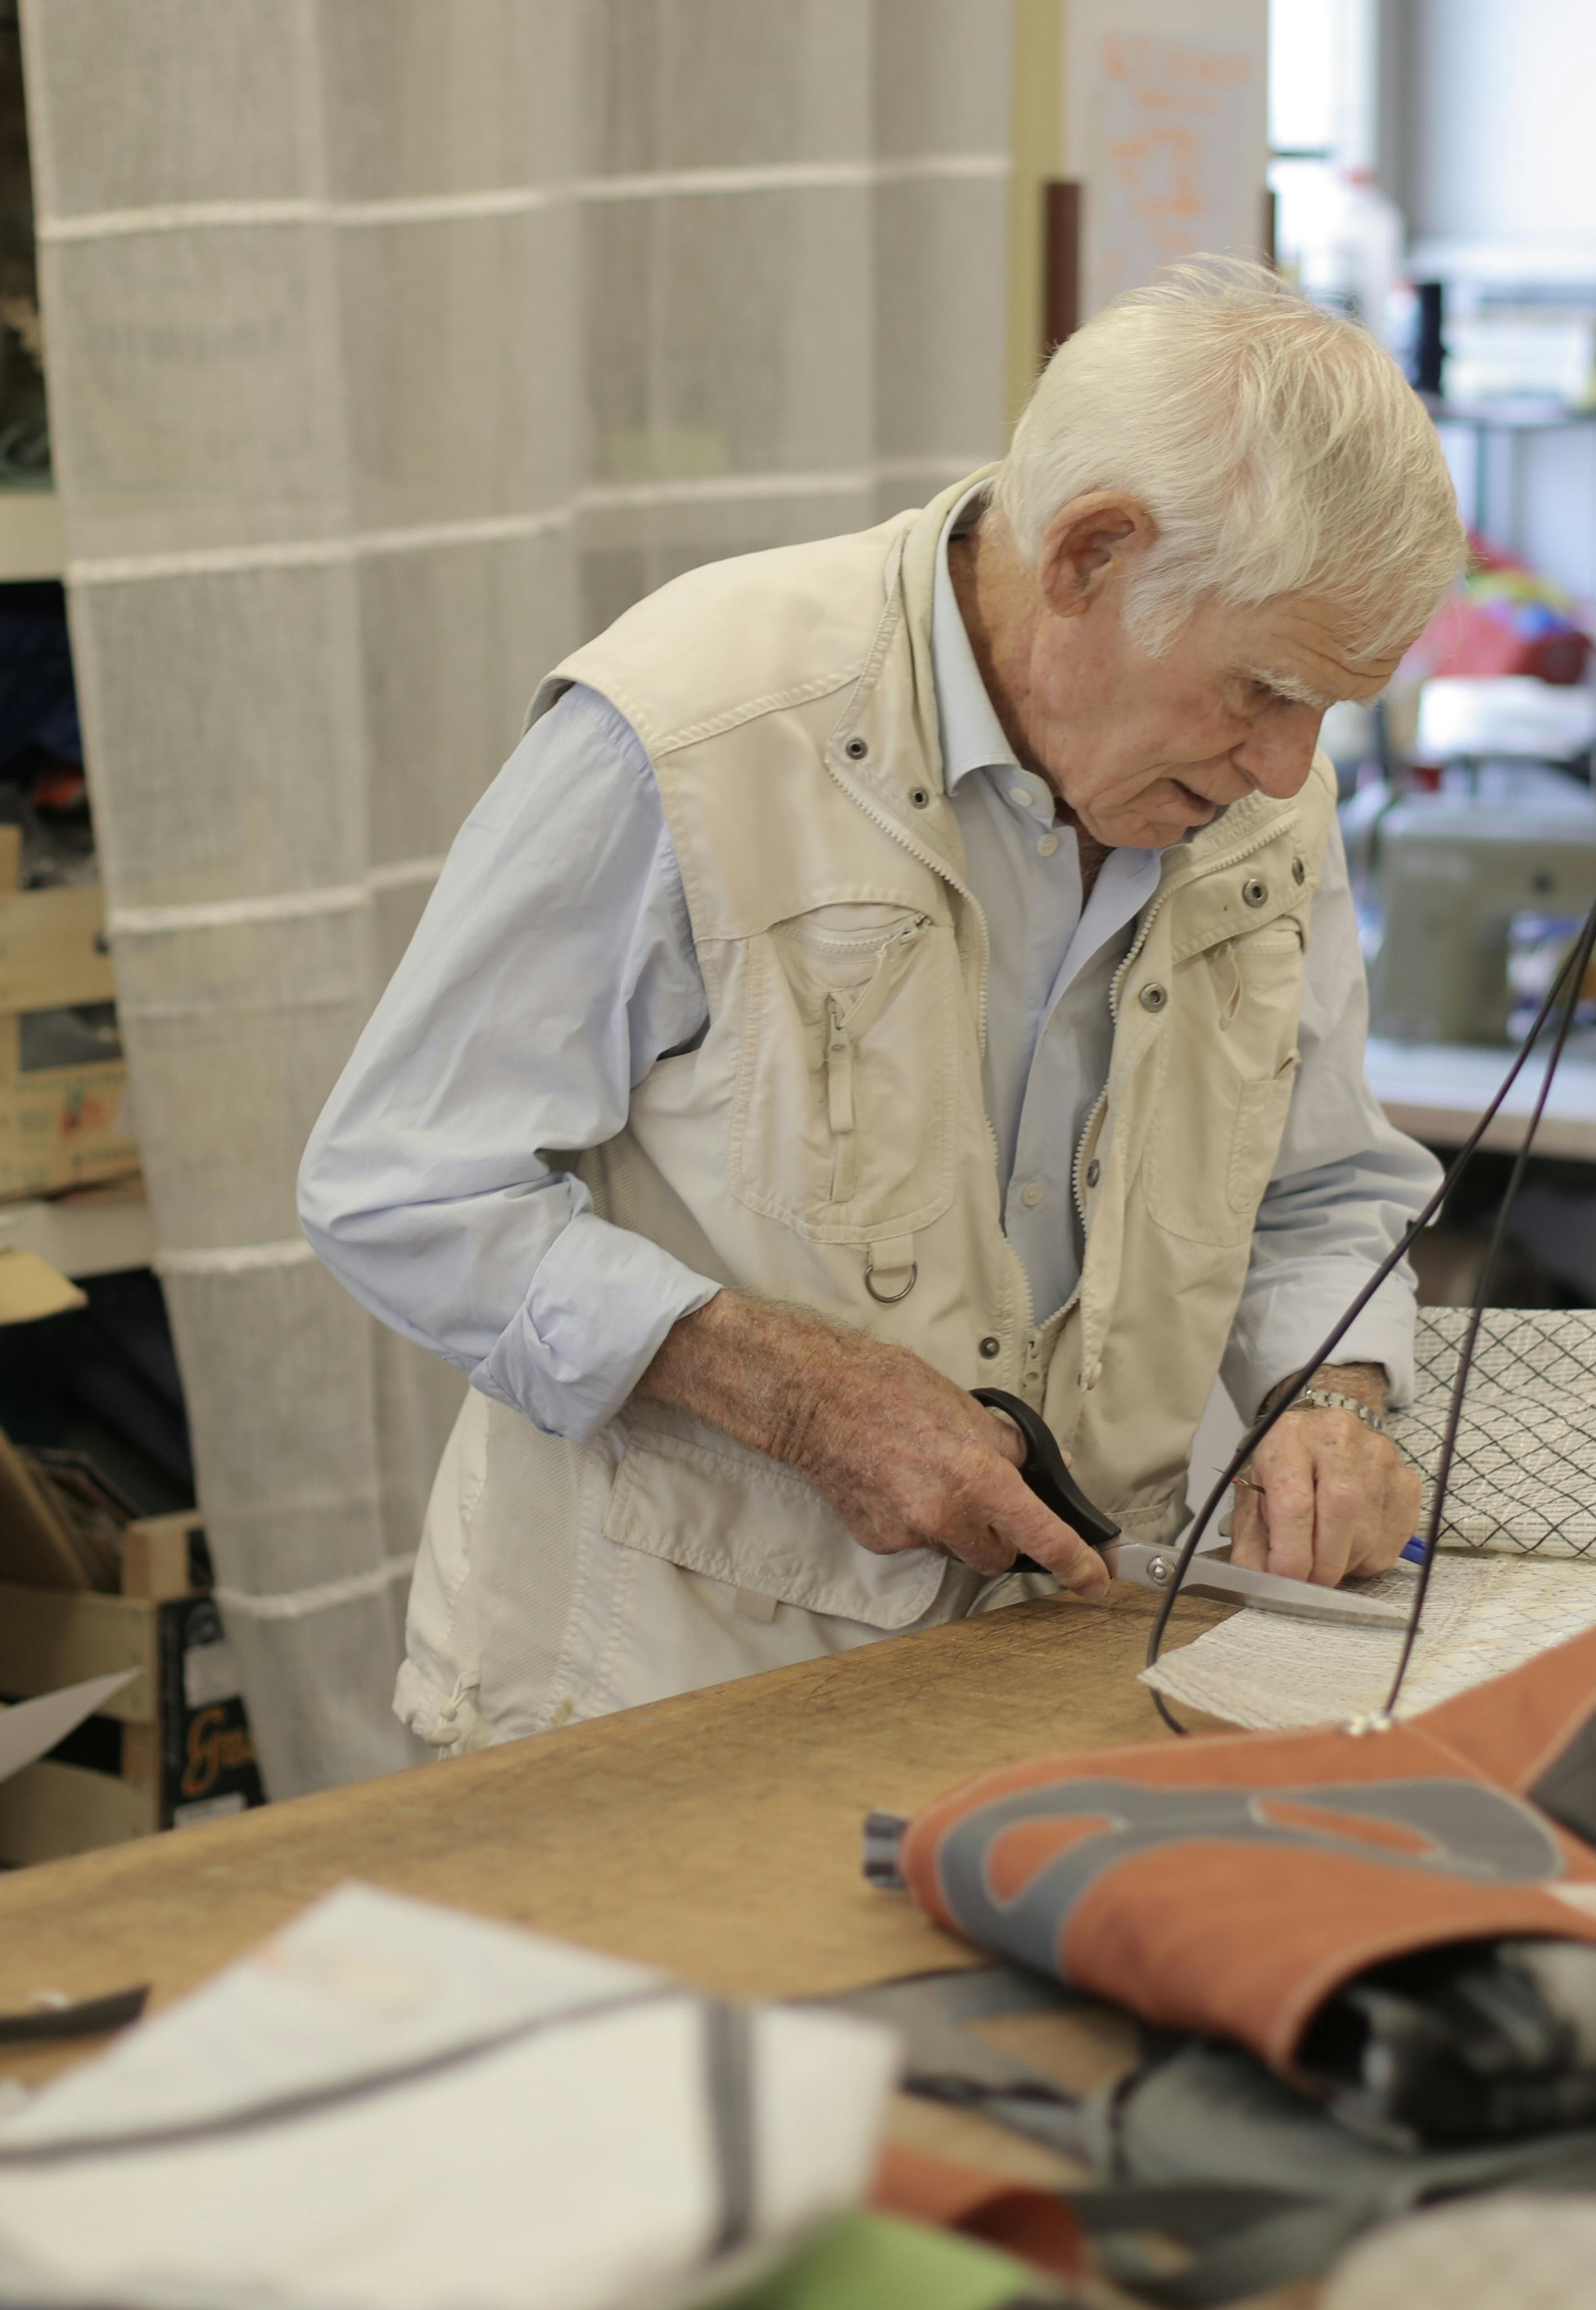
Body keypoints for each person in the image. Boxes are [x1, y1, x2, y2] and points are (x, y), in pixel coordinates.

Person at [302, 258, 1468, 1749]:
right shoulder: (695, 731)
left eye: (1328, 712)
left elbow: (1317, 1194)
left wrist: (1339, 1401)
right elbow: (398, 1184)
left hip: (1058, 1675)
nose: (1290, 769)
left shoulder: (1242, 799)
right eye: (1260, 691)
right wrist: (794, 1393)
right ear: (1089, 557)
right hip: (661, 1704)